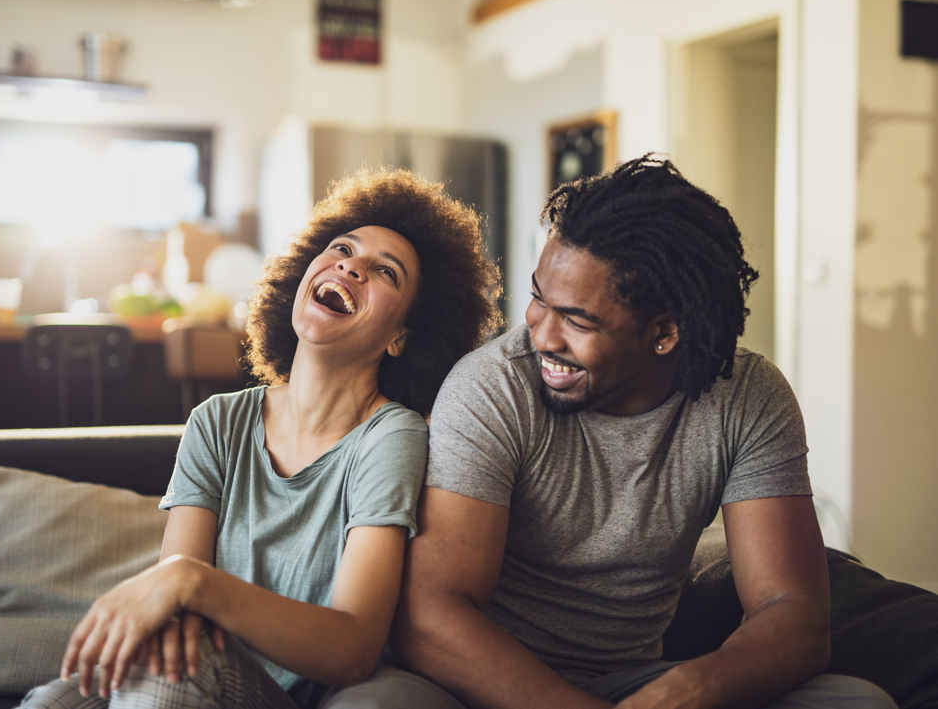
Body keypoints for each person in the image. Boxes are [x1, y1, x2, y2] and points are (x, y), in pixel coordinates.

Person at [331, 156, 897, 709]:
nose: (541, 334)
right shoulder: (492, 387)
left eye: (577, 320)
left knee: (855, 700)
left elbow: (792, 610)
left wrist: (692, 690)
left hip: (631, 682)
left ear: (665, 332)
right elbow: (431, 619)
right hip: (471, 682)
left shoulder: (747, 398)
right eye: (537, 298)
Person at [16, 169, 502, 709]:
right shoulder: (216, 422)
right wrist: (181, 593)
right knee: (57, 699)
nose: (351, 265)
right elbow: (179, 610)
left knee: (169, 678)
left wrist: (193, 585)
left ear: (401, 338)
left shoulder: (390, 437)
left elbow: (355, 647)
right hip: (201, 673)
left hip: (278, 693)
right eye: (342, 247)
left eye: (385, 272)